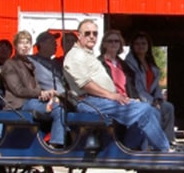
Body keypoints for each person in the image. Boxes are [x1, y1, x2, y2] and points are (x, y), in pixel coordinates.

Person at [63, 20, 171, 151]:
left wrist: (126, 97)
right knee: (144, 110)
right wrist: (112, 96)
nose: (92, 36)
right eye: (87, 33)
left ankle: (129, 147)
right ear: (79, 35)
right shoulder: (75, 55)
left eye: (95, 33)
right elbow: (85, 84)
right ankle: (164, 149)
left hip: (102, 100)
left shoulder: (88, 55)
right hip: (89, 101)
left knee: (151, 110)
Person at [0, 31, 66, 147]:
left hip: (32, 101)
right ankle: (55, 145)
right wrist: (40, 93)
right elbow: (18, 90)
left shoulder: (30, 64)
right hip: (19, 104)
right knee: (57, 108)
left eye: (27, 43)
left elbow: (36, 87)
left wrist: (46, 95)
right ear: (15, 45)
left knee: (58, 104)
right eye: (21, 43)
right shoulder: (10, 64)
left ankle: (57, 141)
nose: (25, 46)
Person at [125, 31, 176, 142]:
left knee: (168, 107)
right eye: (137, 44)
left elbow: (156, 85)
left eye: (143, 43)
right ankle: (154, 144)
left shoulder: (150, 63)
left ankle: (168, 141)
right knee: (154, 112)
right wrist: (152, 101)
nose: (141, 46)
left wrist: (158, 99)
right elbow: (136, 88)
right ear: (132, 46)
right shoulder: (130, 63)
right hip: (138, 99)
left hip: (152, 98)